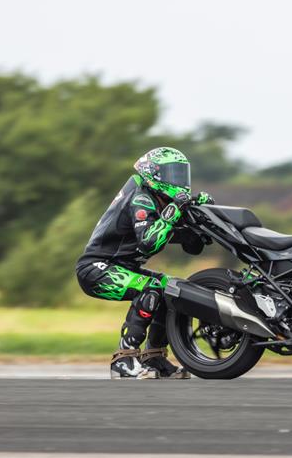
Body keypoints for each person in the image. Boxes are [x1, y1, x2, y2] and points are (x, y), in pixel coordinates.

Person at [76, 147, 213, 379]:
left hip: (124, 267)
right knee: (150, 288)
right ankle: (124, 360)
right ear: (153, 175)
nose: (178, 181)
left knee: (173, 288)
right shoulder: (141, 198)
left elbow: (194, 246)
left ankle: (155, 357)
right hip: (96, 268)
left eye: (181, 174)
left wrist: (200, 218)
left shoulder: (161, 200)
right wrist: (173, 213)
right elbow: (149, 242)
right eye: (172, 174)